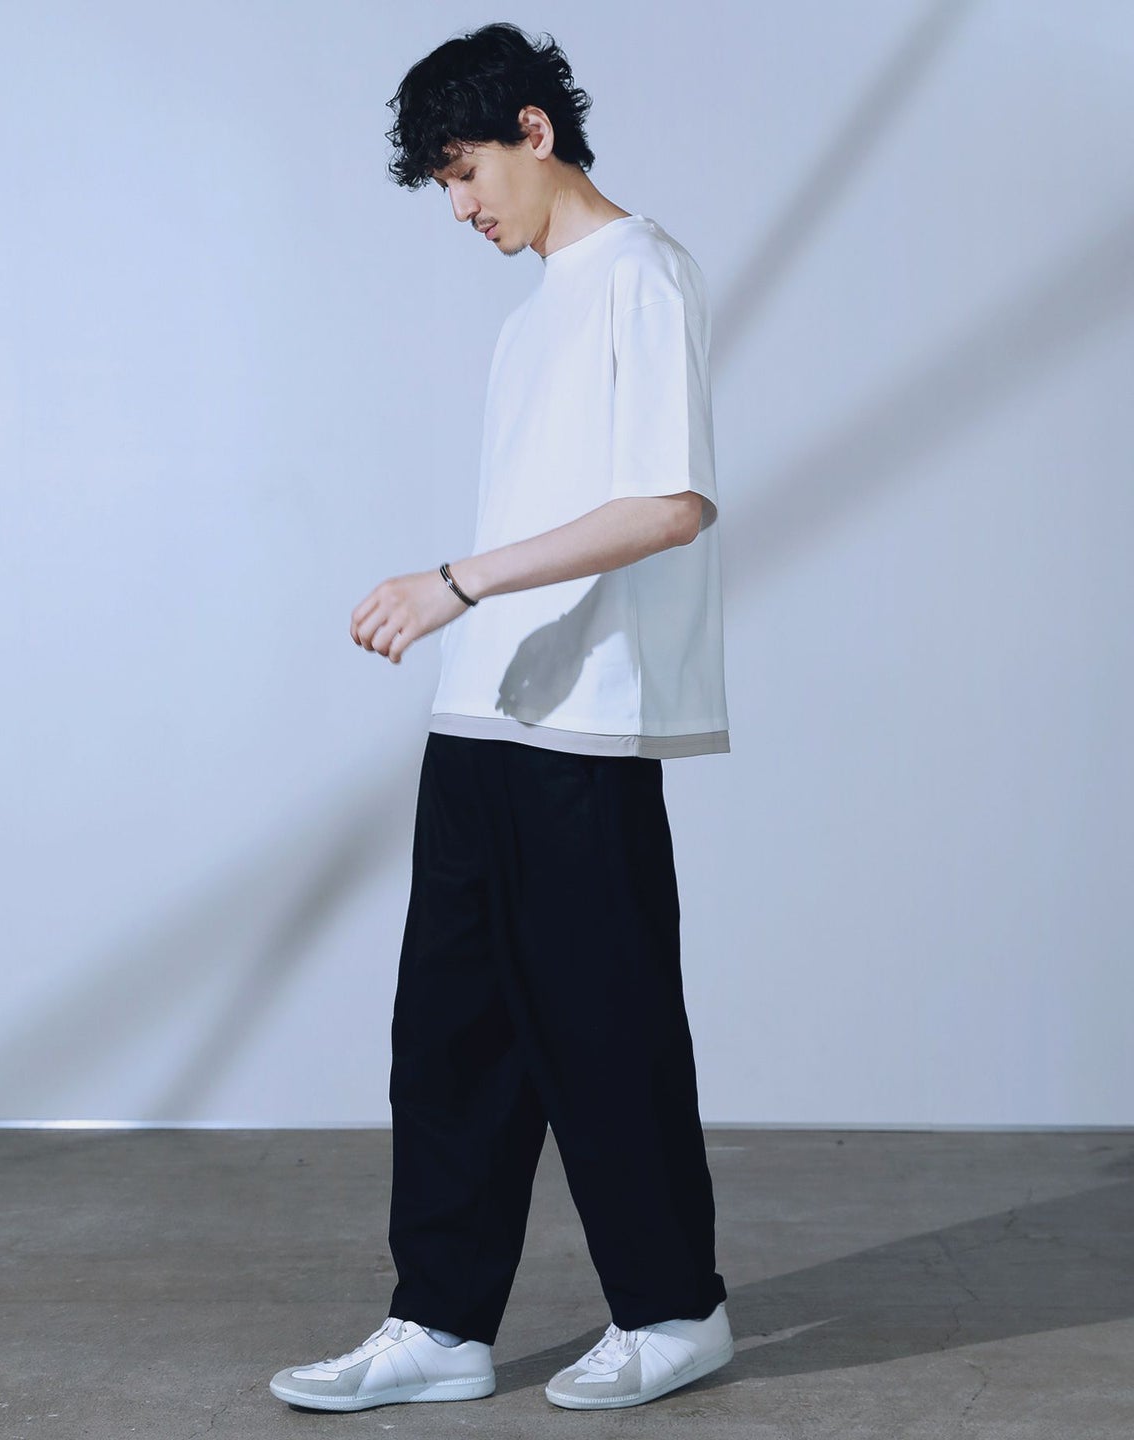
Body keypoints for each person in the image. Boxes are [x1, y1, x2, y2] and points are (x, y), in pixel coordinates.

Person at [270, 21, 734, 1414]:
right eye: (442, 182)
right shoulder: (535, 313)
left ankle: (675, 1313)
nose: (459, 206)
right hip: (482, 714)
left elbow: (671, 503)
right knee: (449, 1038)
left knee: (606, 1029)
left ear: (536, 131)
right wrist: (466, 620)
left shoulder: (641, 272)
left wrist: (457, 581)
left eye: (465, 169)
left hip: (585, 724)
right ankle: (441, 1322)